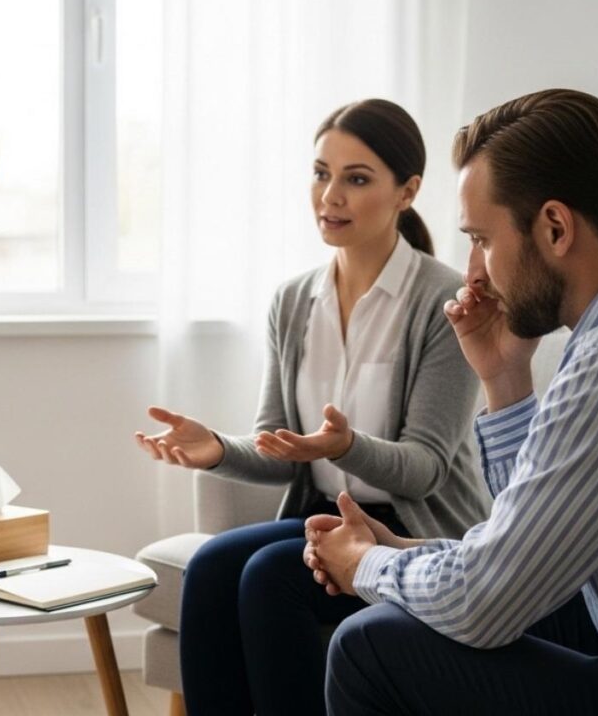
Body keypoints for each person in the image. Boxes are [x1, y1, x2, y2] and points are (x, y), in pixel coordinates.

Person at [135, 99, 492, 715]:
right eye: (321, 173)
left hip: (414, 530)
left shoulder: (444, 301)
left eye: (356, 179)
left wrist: (344, 446)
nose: (330, 195)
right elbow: (278, 450)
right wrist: (217, 449)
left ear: (407, 192)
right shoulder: (294, 300)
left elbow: (427, 466)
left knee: (269, 578)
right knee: (214, 564)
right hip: (323, 514)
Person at [306, 88, 598, 715]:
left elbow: (486, 603)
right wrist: (504, 376)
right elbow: (531, 541)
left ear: (554, 227)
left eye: (481, 240)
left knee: (372, 644)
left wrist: (368, 566)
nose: (473, 274)